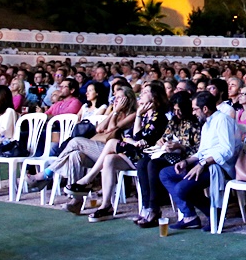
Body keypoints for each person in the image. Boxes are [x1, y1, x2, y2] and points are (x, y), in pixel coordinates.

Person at [24, 86, 138, 212]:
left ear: (128, 100)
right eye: (115, 98)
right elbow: (99, 129)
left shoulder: (132, 114)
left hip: (116, 153)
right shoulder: (115, 112)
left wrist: (115, 111)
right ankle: (76, 200)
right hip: (101, 151)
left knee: (76, 142)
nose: (116, 101)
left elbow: (112, 129)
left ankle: (47, 173)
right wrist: (113, 112)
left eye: (120, 98)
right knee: (75, 155)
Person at [66, 83, 168, 222]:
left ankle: (87, 180)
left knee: (112, 143)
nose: (141, 94)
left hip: (146, 158)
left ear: (154, 98)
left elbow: (139, 139)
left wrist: (137, 118)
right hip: (134, 154)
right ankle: (105, 205)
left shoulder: (159, 117)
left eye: (145, 92)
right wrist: (135, 130)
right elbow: (130, 138)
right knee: (109, 159)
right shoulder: (144, 116)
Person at [159, 89, 242, 230]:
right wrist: (187, 161)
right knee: (165, 174)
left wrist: (202, 164)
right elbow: (201, 151)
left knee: (181, 189)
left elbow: (227, 150)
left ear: (205, 108)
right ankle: (189, 216)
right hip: (204, 162)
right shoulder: (207, 123)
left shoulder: (222, 120)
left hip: (219, 166)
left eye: (195, 109)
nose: (193, 112)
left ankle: (214, 213)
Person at [134, 91, 202, 226]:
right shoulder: (174, 121)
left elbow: (199, 148)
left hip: (186, 157)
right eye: (175, 110)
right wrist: (162, 141)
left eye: (179, 110)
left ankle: (154, 208)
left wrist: (180, 146)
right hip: (170, 153)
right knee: (142, 163)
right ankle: (146, 206)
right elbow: (165, 136)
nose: (177, 113)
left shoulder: (195, 123)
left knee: (153, 165)